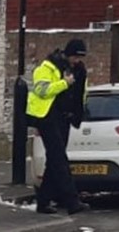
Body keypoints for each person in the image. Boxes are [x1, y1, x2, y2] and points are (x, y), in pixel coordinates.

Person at [28, 39, 90, 215]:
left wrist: (80, 112)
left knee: (54, 161)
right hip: (47, 117)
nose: (77, 61)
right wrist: (64, 83)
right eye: (75, 57)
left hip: (65, 119)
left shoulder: (79, 70)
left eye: (80, 58)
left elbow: (81, 93)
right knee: (60, 160)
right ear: (68, 54)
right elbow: (41, 90)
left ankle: (43, 202)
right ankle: (72, 201)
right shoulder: (47, 68)